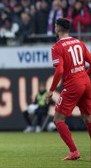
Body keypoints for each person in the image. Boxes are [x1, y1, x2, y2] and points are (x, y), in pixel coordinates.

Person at [46, 18, 91, 160]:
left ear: (58, 29)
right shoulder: (79, 43)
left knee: (58, 119)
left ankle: (74, 151)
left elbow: (59, 71)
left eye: (55, 27)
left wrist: (51, 90)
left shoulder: (56, 47)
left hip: (73, 85)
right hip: (86, 82)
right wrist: (84, 75)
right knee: (88, 117)